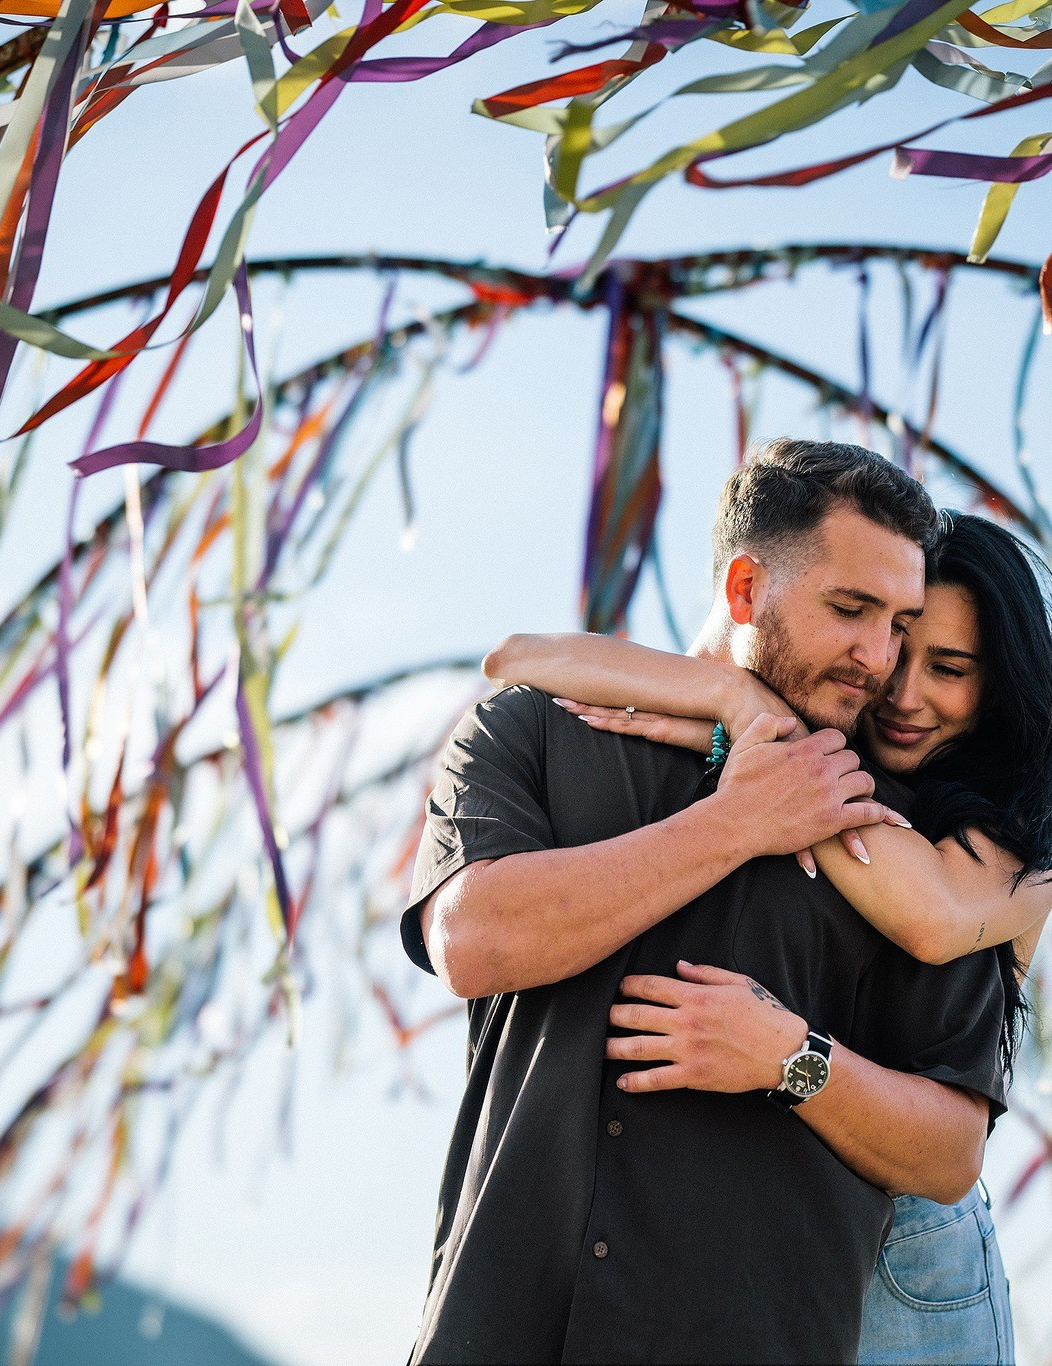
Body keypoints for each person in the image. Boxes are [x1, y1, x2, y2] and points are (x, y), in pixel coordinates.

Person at [402, 439, 1013, 1364]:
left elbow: (947, 1150)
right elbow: (473, 938)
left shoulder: (909, 844)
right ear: (742, 591)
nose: (879, 657)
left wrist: (793, 1060)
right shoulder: (533, 726)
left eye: (900, 621)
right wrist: (736, 824)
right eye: (850, 610)